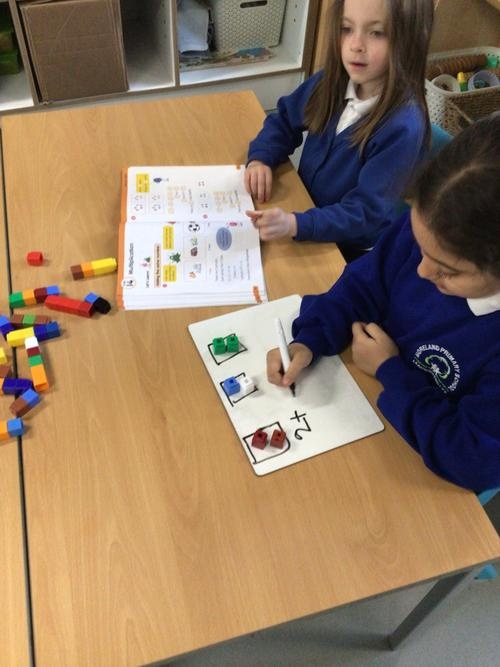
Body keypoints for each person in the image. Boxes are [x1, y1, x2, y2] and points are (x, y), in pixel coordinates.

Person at [266, 116, 500, 492]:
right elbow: (364, 285)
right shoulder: (434, 227)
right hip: (366, 406)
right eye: (419, 248)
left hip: (421, 470)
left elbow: (472, 457)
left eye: (447, 271)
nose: (421, 271)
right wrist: (310, 339)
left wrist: (390, 371)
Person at [244, 0, 434, 261]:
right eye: (346, 28)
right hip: (307, 213)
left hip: (349, 249)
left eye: (376, 33)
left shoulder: (403, 127)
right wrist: (261, 158)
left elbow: (365, 212)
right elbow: (285, 120)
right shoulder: (332, 80)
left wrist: (295, 224)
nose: (356, 45)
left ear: (409, 41)